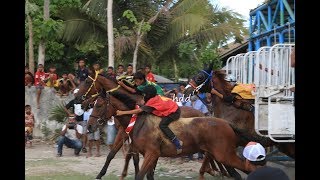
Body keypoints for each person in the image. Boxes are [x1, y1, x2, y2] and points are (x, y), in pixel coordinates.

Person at [116, 85, 183, 154]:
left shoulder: (152, 101)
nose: (143, 95)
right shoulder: (154, 97)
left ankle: (177, 142)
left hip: (174, 112)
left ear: (148, 95)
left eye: (144, 94)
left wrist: (122, 112)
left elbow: (139, 111)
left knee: (162, 125)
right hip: (172, 106)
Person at [63, 88, 87, 153]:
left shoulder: (84, 101)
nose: (77, 95)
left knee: (84, 133)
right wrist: (70, 114)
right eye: (76, 94)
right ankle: (77, 147)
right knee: (77, 133)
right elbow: (65, 107)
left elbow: (87, 107)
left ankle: (84, 147)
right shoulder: (73, 101)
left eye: (78, 93)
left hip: (83, 119)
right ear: (74, 94)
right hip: (75, 120)